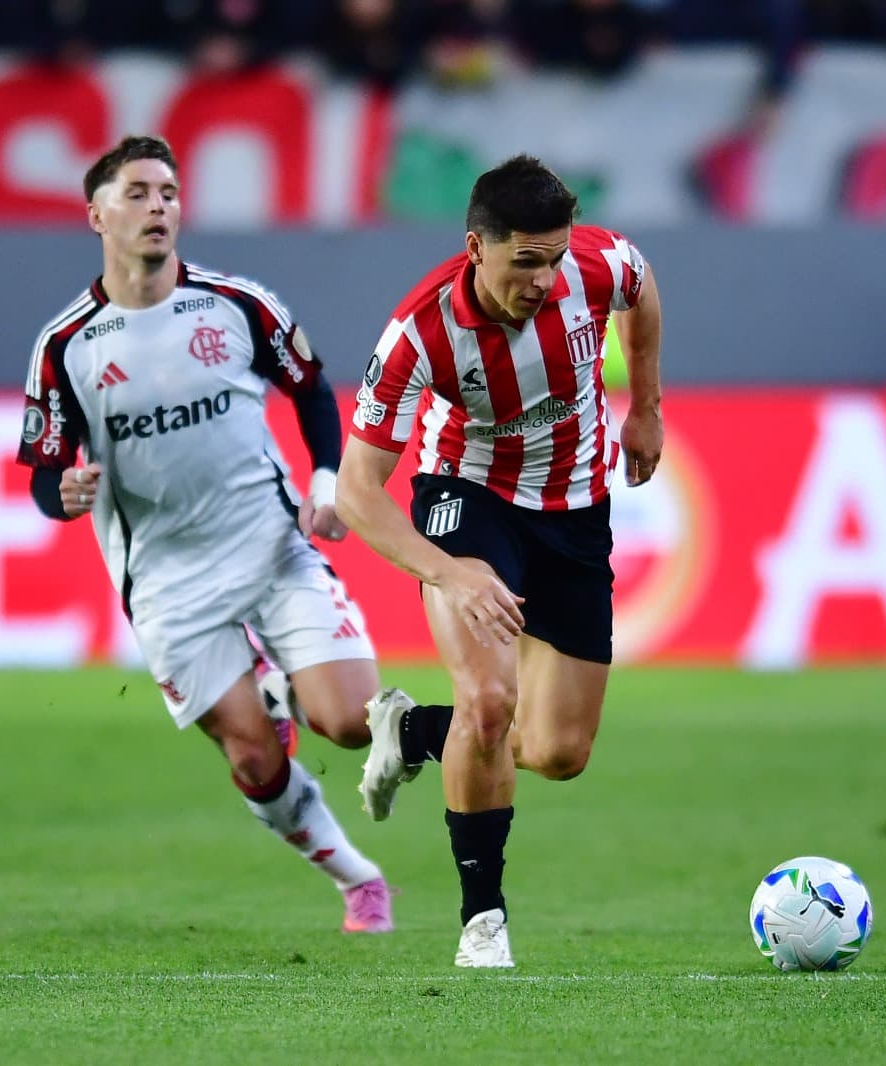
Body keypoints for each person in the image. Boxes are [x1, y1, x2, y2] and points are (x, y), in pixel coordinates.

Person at [16, 134, 393, 934]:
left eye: (169, 193)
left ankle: (282, 679)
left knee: (352, 723)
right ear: (97, 216)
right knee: (256, 759)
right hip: (166, 580)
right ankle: (357, 878)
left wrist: (326, 481)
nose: (160, 207)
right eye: (139, 193)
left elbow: (313, 389)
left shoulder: (237, 305)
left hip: (268, 547)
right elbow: (44, 473)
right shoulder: (65, 348)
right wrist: (66, 490)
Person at [335, 154, 663, 967]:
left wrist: (647, 407)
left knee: (557, 751)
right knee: (488, 700)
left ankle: (410, 730)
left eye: (553, 258)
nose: (545, 280)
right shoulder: (419, 331)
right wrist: (450, 570)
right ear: (475, 245)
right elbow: (357, 491)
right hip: (469, 499)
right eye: (525, 261)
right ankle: (483, 922)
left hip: (576, 509)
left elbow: (643, 290)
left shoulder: (594, 265)